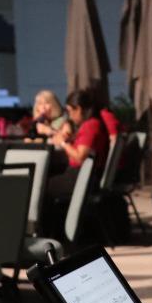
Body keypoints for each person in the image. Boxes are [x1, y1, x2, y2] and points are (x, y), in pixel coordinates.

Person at [40, 88, 111, 235]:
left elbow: (80, 156)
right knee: (45, 181)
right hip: (82, 175)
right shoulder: (92, 124)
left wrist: (64, 143)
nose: (70, 117)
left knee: (41, 188)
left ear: (79, 109)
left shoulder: (91, 125)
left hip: (81, 178)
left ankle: (49, 233)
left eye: (70, 111)